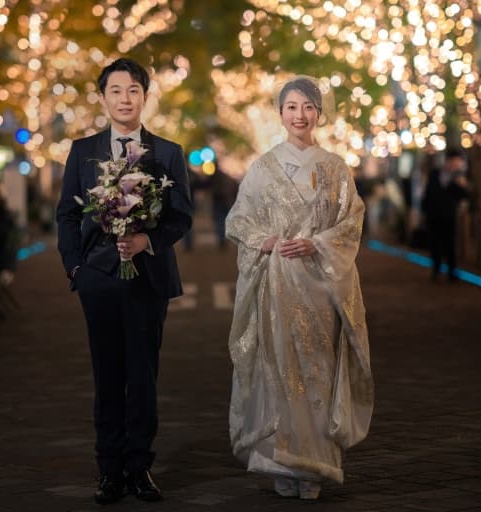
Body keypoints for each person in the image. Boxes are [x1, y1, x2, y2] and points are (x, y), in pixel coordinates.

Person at [225, 76, 373, 500]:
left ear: (319, 113)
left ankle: (315, 463)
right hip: (277, 286)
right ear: (281, 113)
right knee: (280, 370)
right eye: (291, 107)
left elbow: (351, 223)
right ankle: (280, 461)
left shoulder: (335, 168)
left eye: (308, 107)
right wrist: (266, 241)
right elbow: (237, 220)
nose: (300, 115)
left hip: (320, 287)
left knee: (316, 371)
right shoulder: (263, 168)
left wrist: (317, 243)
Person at [55, 58, 192, 505]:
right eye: (115, 91)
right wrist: (76, 269)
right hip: (97, 279)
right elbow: (67, 215)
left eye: (133, 90)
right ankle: (109, 470)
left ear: (145, 96)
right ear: (103, 98)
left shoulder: (167, 153)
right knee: (107, 375)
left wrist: (146, 240)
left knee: (143, 376)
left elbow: (181, 216)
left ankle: (140, 468)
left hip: (147, 280)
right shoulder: (84, 151)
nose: (124, 99)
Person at [421, 149, 468, 281]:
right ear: (448, 161)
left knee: (450, 243)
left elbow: (463, 195)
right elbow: (428, 193)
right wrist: (425, 211)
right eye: (454, 162)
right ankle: (436, 270)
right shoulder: (435, 174)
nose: (456, 165)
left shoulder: (457, 177)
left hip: (449, 215)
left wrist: (461, 185)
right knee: (435, 243)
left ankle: (451, 271)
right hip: (434, 215)